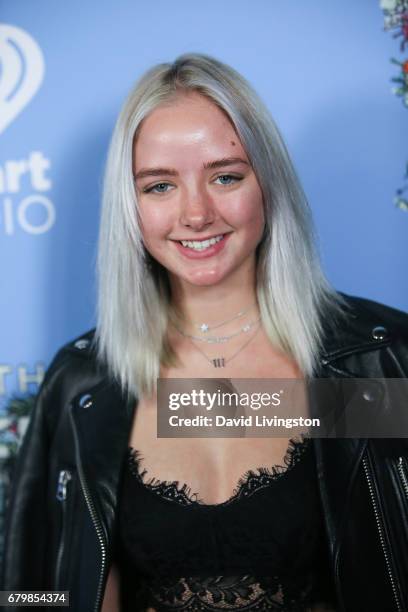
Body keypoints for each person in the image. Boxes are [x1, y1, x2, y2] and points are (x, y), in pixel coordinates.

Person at [2, 53, 408, 612]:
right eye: (160, 186)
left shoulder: (375, 363)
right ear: (131, 204)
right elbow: (31, 590)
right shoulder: (82, 384)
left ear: (269, 183)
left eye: (225, 176)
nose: (196, 214)